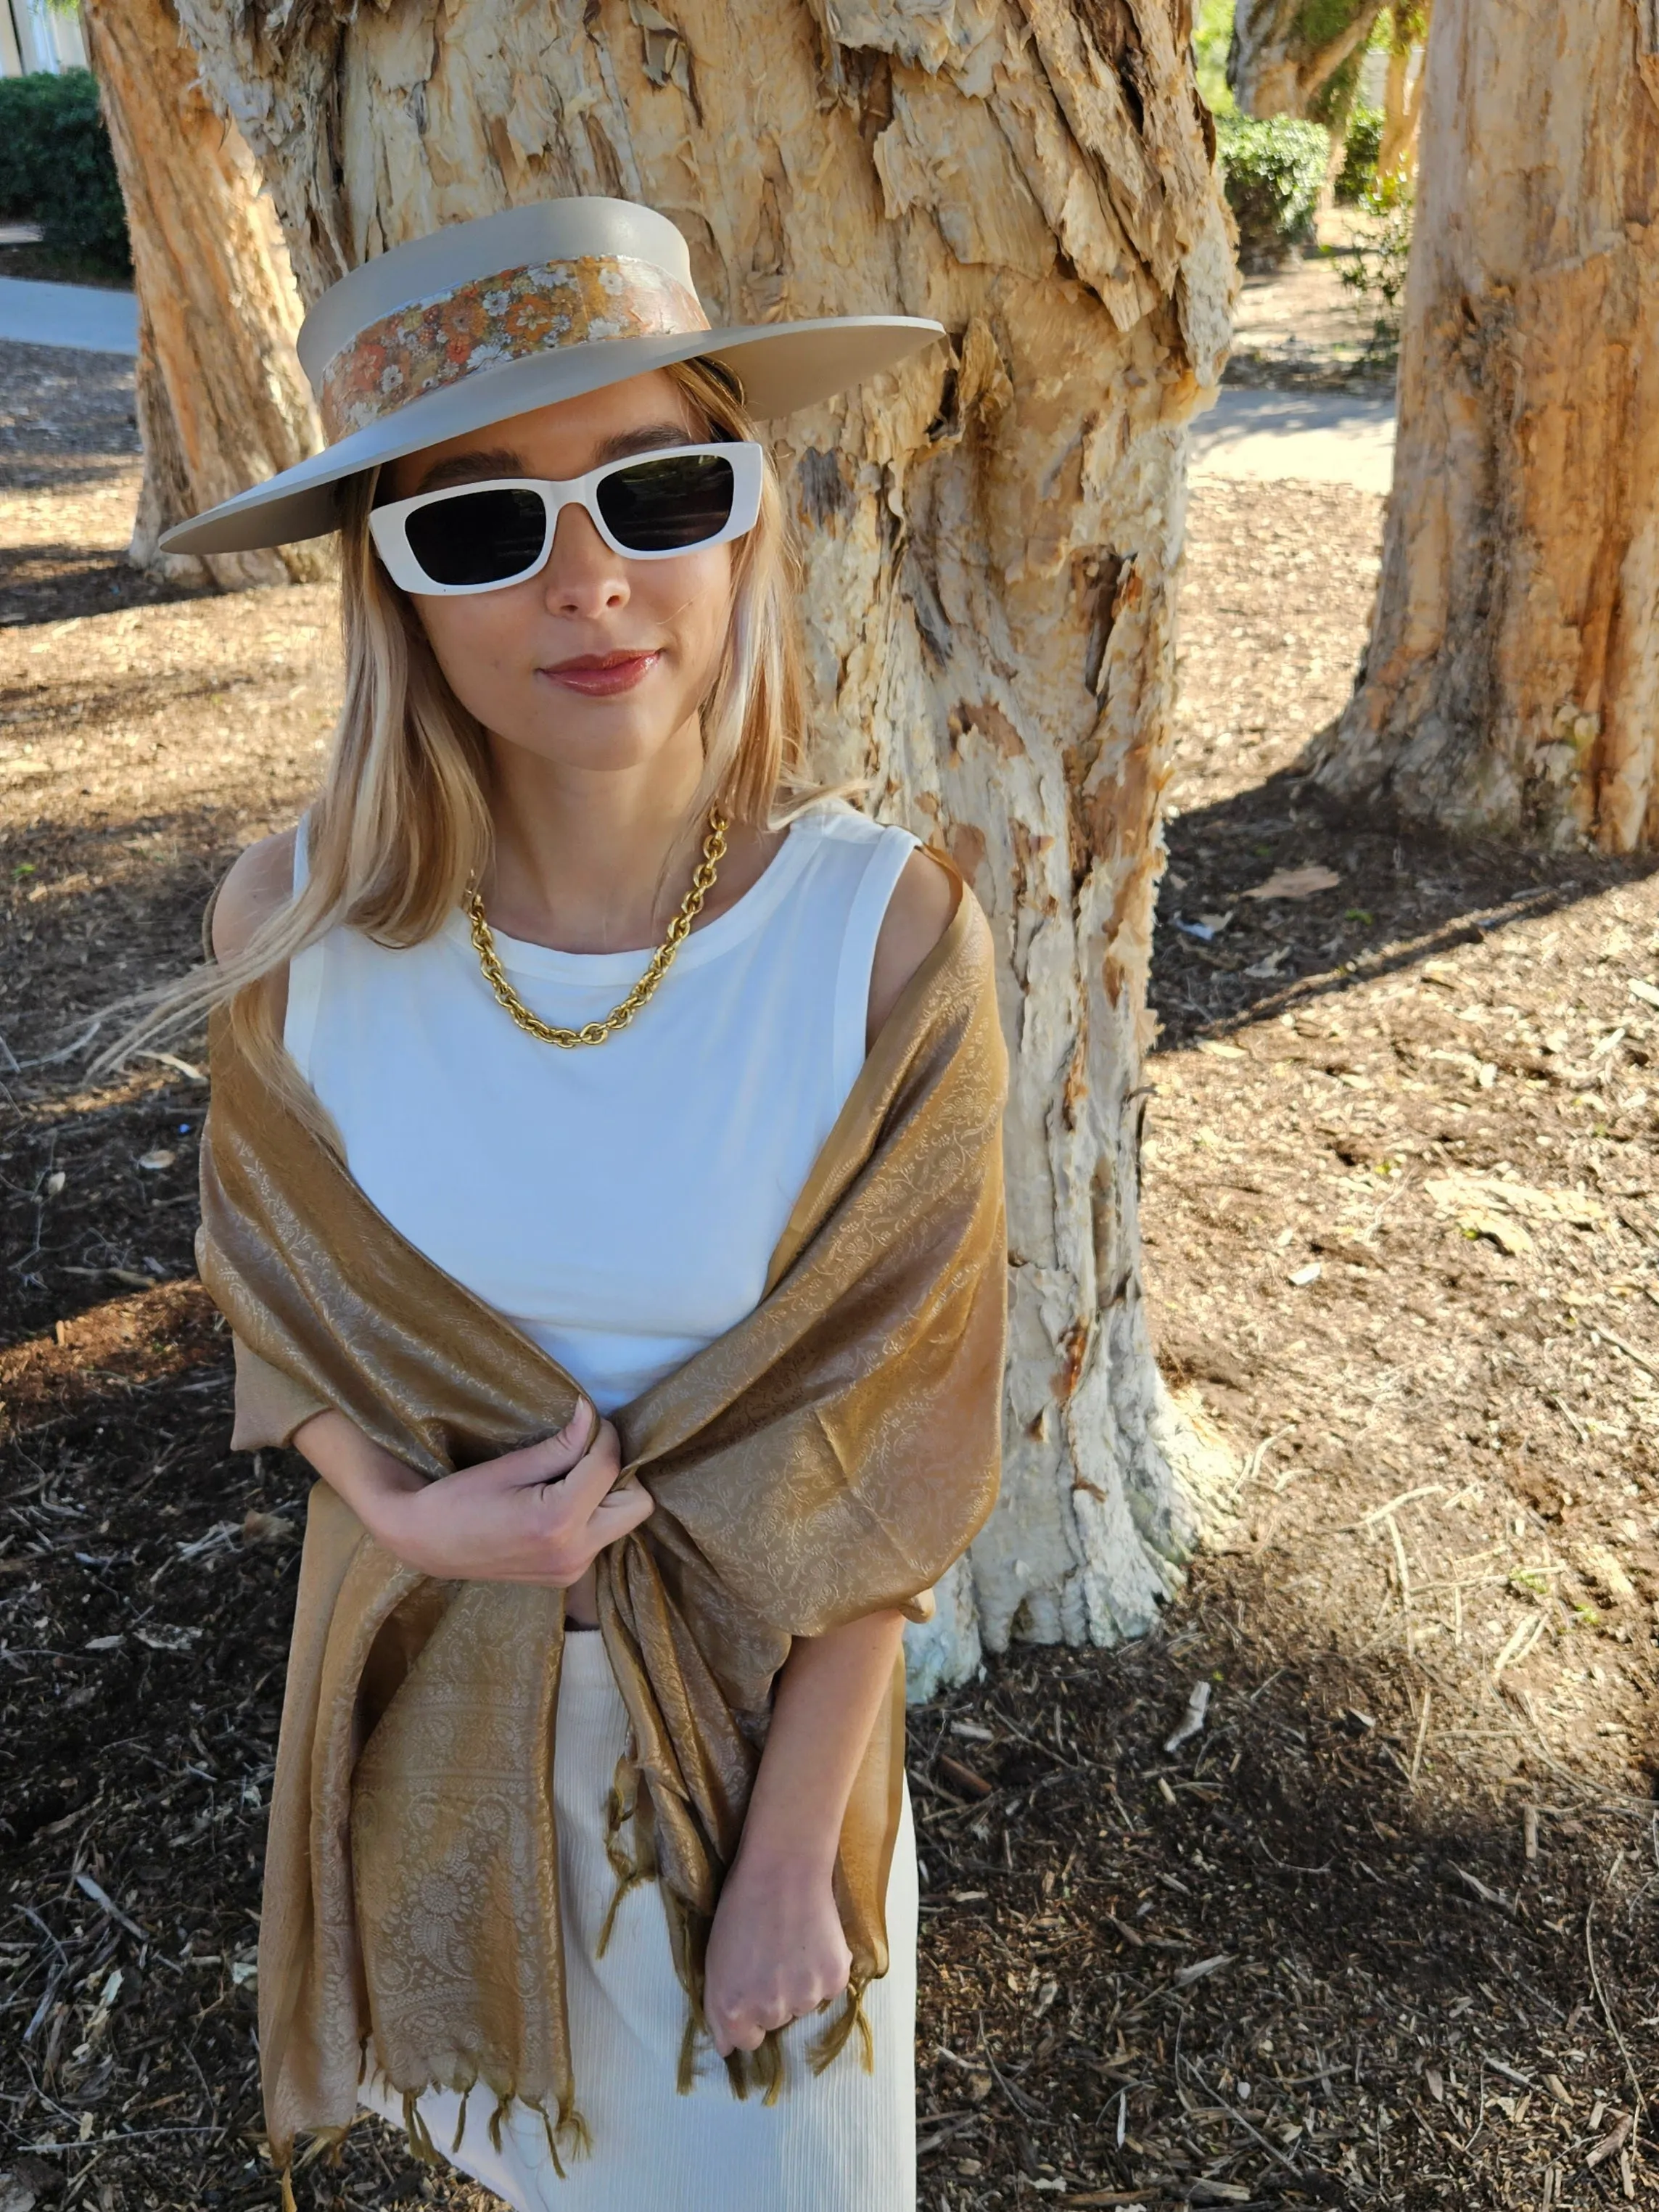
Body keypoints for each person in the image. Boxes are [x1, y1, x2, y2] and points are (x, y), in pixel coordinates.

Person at [154, 197, 1008, 2211]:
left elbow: (903, 1448)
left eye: (658, 487)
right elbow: (272, 1295)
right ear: (396, 590)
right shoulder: (290, 930)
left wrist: (788, 1861)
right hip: (431, 1740)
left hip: (739, 1783)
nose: (590, 580)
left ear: (744, 525)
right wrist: (393, 1506)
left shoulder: (878, 940)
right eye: (480, 527)